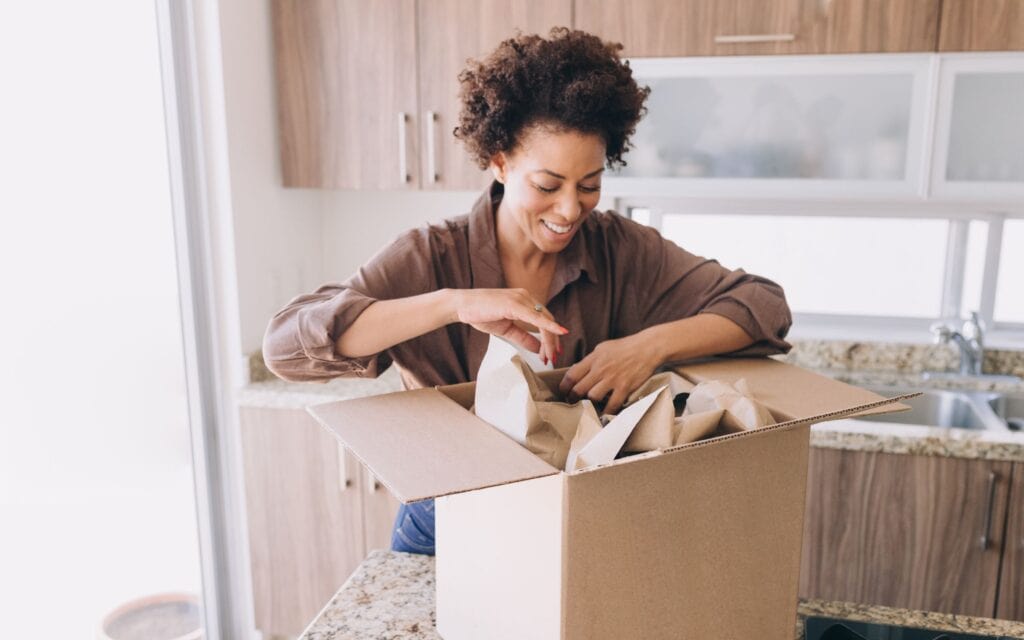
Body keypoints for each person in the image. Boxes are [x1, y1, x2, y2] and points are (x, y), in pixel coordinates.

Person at [262, 27, 794, 556]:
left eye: (589, 184)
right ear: (499, 161)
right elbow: (285, 348)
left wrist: (646, 347)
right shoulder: (431, 256)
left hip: (580, 514)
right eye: (547, 185)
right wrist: (454, 303)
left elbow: (763, 306)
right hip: (448, 518)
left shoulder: (618, 249)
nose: (569, 210)